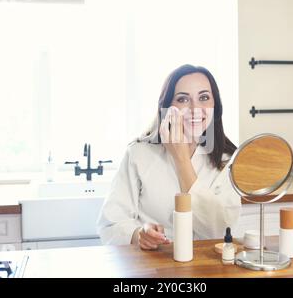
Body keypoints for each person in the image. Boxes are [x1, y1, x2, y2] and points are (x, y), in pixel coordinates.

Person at [97, 64, 241, 250]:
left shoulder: (227, 161)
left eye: (204, 97)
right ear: (166, 108)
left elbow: (219, 231)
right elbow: (111, 223)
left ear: (215, 106)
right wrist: (138, 234)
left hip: (206, 266)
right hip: (151, 265)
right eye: (182, 99)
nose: (195, 108)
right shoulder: (139, 154)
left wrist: (181, 159)